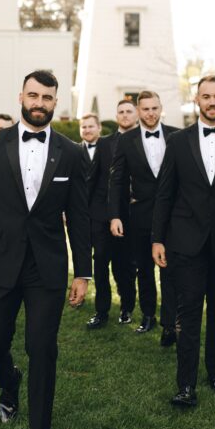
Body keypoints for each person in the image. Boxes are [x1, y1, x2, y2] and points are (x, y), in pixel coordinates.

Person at [0, 70, 91, 429]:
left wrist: (83, 271)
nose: (39, 103)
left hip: (46, 267)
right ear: (20, 96)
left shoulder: (70, 152)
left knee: (42, 348)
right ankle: (8, 379)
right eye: (33, 95)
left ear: (55, 102)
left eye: (47, 97)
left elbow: (79, 216)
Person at [152, 75, 215, 406]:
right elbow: (165, 193)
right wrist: (157, 238)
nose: (212, 101)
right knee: (187, 312)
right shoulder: (179, 141)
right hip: (185, 241)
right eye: (206, 96)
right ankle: (185, 386)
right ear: (196, 99)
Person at [108, 91, 178, 343]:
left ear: (161, 108)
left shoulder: (177, 135)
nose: (150, 113)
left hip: (174, 215)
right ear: (138, 111)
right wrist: (115, 215)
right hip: (139, 214)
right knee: (144, 268)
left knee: (170, 268)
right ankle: (148, 315)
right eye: (145, 109)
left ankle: (170, 322)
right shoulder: (126, 141)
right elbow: (116, 181)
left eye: (154, 108)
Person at [86, 100, 138, 329]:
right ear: (116, 115)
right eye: (121, 112)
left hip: (129, 216)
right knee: (100, 265)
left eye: (129, 111)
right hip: (100, 214)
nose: (125, 115)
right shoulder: (105, 143)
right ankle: (101, 311)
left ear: (135, 115)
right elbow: (93, 178)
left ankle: (127, 307)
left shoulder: (142, 142)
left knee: (124, 265)